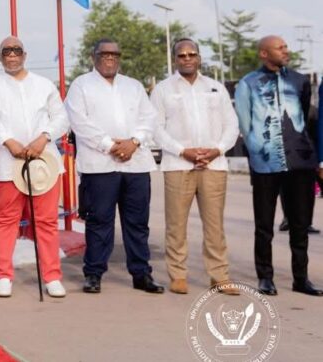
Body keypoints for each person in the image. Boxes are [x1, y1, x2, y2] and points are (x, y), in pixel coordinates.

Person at [0, 37, 69, 299]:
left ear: (24, 55)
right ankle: (4, 276)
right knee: (6, 220)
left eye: (16, 51)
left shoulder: (44, 85)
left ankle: (52, 276)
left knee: (46, 221)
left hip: (43, 162)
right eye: (7, 51)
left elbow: (61, 117)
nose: (12, 55)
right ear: (0, 57)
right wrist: (9, 141)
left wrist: (43, 138)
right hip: (8, 162)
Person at [65, 39, 162, 295]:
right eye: (104, 54)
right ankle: (93, 274)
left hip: (136, 165)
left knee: (137, 224)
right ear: (93, 56)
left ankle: (141, 274)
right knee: (99, 222)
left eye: (114, 54)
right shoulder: (81, 86)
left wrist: (134, 142)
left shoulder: (133, 86)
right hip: (100, 167)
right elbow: (79, 122)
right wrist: (111, 146)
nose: (110, 58)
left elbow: (149, 118)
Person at [150, 39, 240, 296]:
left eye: (192, 54)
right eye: (182, 55)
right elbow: (156, 128)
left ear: (199, 58)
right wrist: (183, 151)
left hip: (214, 165)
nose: (187, 58)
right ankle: (178, 275)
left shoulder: (215, 88)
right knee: (176, 225)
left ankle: (219, 276)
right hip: (178, 165)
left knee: (215, 226)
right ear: (175, 59)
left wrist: (217, 150)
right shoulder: (163, 90)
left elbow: (231, 125)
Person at [235, 35, 322, 296]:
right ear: (264, 53)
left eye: (286, 46)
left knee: (300, 224)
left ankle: (301, 279)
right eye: (280, 47)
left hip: (300, 163)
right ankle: (265, 277)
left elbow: (304, 115)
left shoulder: (299, 80)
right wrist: (257, 152)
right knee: (264, 225)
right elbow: (245, 123)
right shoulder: (248, 83)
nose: (286, 51)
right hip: (265, 163)